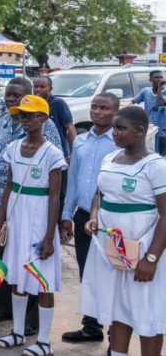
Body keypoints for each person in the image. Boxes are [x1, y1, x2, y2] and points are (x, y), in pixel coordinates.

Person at [79, 105, 166, 356]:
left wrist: (151, 258)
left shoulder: (155, 166)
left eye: (120, 128)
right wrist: (94, 216)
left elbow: (165, 214)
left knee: (147, 310)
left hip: (143, 247)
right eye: (114, 127)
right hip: (114, 248)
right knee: (117, 307)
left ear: (140, 131)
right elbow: (100, 194)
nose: (114, 133)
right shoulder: (110, 159)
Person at [0, 78, 63, 333]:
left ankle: (38, 333)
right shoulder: (12, 140)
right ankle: (13, 325)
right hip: (11, 208)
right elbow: (8, 183)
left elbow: (54, 195)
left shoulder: (50, 147)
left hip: (38, 212)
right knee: (13, 269)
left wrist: (50, 234)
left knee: (40, 275)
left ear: (42, 117)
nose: (24, 119)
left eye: (30, 115)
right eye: (21, 115)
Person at [60, 93, 120, 345]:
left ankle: (115, 335)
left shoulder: (119, 142)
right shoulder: (81, 141)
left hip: (111, 218)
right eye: (94, 107)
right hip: (84, 216)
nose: (97, 112)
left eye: (104, 108)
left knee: (113, 275)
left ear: (115, 113)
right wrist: (66, 216)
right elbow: (73, 180)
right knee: (87, 273)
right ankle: (91, 326)